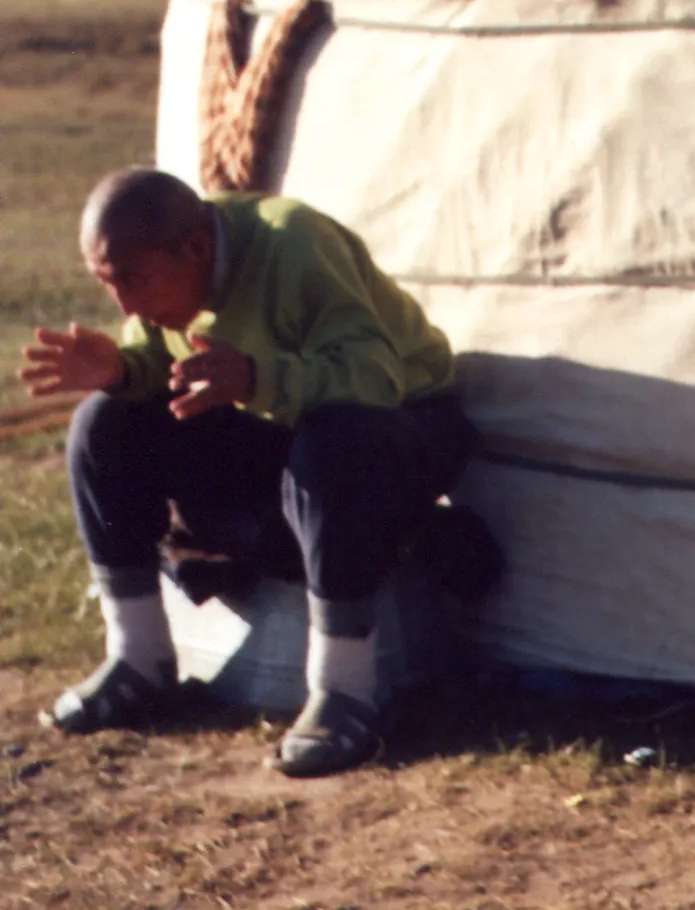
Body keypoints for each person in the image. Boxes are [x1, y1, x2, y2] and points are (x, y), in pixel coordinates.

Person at [20, 167, 475, 778]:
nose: (124, 304)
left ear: (196, 249)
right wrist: (122, 371)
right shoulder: (168, 271)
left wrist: (258, 378)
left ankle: (345, 690)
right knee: (104, 422)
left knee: (335, 441)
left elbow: (373, 379)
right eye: (107, 283)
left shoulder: (296, 246)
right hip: (276, 425)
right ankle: (140, 659)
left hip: (400, 428)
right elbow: (160, 364)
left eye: (134, 280)